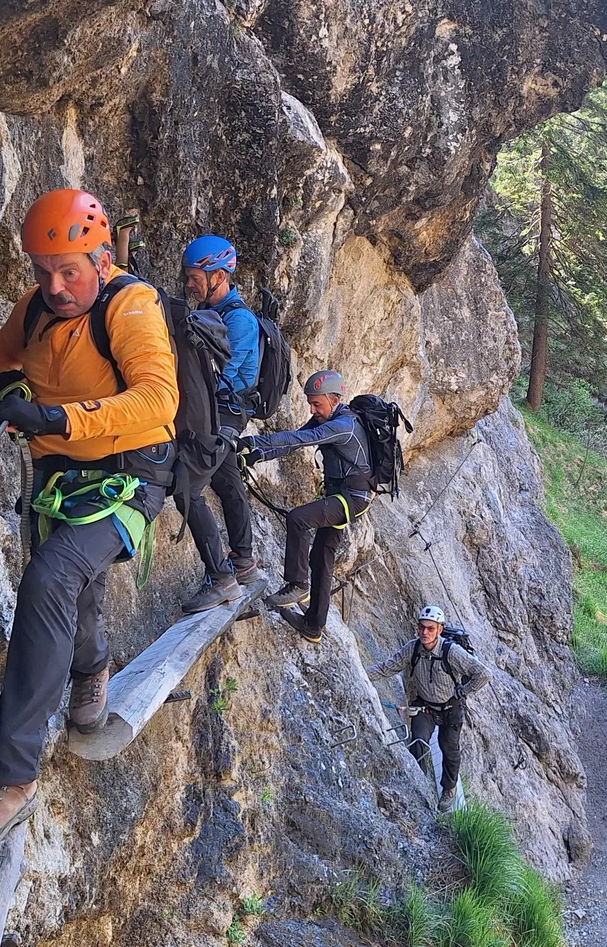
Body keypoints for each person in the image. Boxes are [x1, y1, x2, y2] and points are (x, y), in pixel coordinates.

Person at [0, 189, 179, 859]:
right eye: (43, 271)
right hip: (58, 478)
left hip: (131, 472)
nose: (55, 285)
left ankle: (7, 781)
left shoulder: (130, 306)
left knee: (51, 577)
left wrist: (60, 419)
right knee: (75, 588)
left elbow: (159, 396)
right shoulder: (38, 307)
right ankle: (93, 666)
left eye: (69, 269)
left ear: (102, 259)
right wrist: (14, 393)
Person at [238, 370, 370, 643]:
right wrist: (258, 455)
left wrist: (253, 441)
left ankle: (297, 585)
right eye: (310, 403)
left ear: (334, 400)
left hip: (351, 499)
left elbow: (299, 440)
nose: (312, 409)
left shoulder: (342, 426)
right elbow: (294, 441)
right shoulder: (329, 418)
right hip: (339, 494)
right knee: (322, 557)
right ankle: (313, 625)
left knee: (298, 519)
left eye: (316, 404)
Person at [175, 234, 261, 614]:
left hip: (225, 414)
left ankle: (222, 577)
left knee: (186, 487)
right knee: (227, 482)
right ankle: (242, 560)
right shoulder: (216, 313)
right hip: (218, 412)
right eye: (188, 277)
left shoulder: (240, 320)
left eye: (195, 277)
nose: (190, 284)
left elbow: (221, 378)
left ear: (219, 275)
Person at [367, 605, 491, 812]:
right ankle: (418, 782)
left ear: (439, 630)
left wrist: (464, 691)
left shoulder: (452, 653)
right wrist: (359, 671)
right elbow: (386, 667)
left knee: (449, 748)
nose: (425, 632)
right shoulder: (412, 648)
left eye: (430, 628)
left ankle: (448, 789)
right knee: (418, 741)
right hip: (425, 706)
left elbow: (483, 673)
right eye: (422, 627)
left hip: (451, 707)